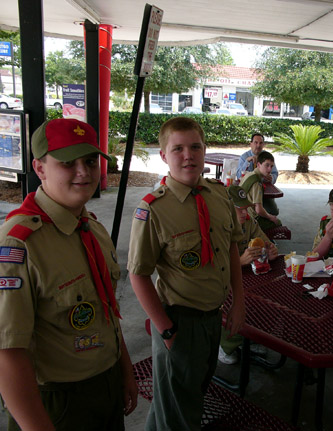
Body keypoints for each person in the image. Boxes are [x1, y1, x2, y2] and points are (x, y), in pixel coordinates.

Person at [0, 118, 138, 431]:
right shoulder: (18, 243)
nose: (83, 172)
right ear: (40, 168)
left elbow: (106, 311)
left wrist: (124, 370)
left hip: (105, 384)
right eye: (67, 163)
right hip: (56, 403)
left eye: (90, 161)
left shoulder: (92, 228)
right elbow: (8, 353)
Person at [127, 117, 245, 431]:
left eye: (195, 147)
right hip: (179, 321)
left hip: (213, 319)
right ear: (164, 155)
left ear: (205, 150)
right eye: (177, 148)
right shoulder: (153, 209)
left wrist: (238, 302)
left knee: (184, 401)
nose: (188, 155)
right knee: (177, 411)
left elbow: (232, 246)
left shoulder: (219, 194)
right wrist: (165, 329)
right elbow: (138, 275)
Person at [218, 185, 278, 365]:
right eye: (239, 209)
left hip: (249, 279)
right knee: (229, 303)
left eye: (245, 208)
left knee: (266, 300)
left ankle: (249, 339)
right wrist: (240, 261)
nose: (244, 213)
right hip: (224, 282)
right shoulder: (217, 226)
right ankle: (225, 344)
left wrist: (270, 250)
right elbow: (212, 266)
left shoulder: (249, 222)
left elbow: (264, 242)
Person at [236, 133, 280, 215]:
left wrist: (272, 178)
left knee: (273, 211)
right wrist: (247, 162)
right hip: (248, 192)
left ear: (263, 144)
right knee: (253, 211)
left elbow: (275, 173)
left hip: (264, 192)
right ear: (251, 144)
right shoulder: (244, 157)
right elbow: (239, 176)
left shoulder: (267, 157)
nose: (258, 145)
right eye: (256, 142)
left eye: (260, 143)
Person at [239, 151, 282, 231]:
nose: (269, 169)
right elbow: (258, 210)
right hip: (249, 218)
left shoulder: (249, 174)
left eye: (271, 166)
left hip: (239, 212)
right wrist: (271, 217)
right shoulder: (256, 183)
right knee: (277, 221)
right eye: (267, 165)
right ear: (258, 165)